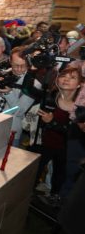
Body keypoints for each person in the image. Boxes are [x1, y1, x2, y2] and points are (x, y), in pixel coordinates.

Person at [34, 66, 82, 206]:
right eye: (63, 76)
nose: (66, 79)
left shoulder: (80, 107)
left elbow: (74, 132)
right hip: (43, 144)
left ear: (79, 84)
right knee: (34, 173)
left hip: (66, 149)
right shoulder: (50, 97)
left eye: (72, 77)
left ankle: (55, 199)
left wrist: (52, 122)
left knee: (60, 177)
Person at [0, 47, 40, 145]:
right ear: (10, 61)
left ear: (29, 63)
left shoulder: (33, 84)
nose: (19, 69)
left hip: (8, 132)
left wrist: (9, 93)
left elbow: (19, 111)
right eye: (16, 65)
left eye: (23, 65)